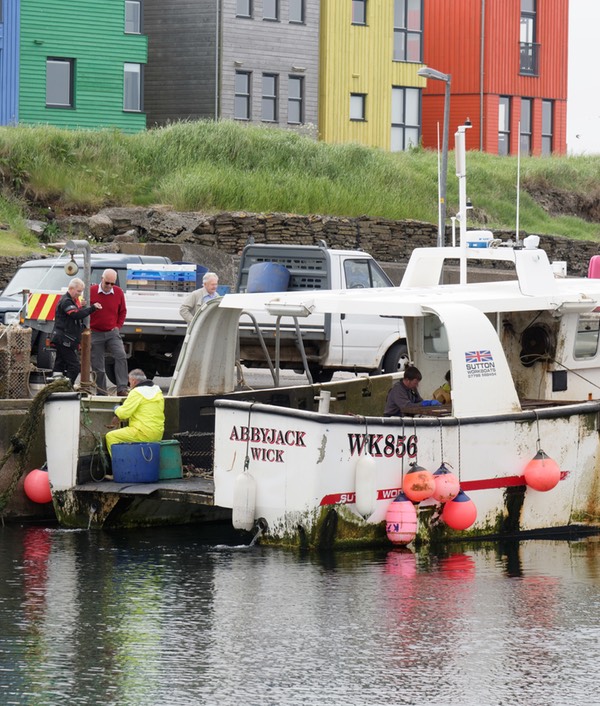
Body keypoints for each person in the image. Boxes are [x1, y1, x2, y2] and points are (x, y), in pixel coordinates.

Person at [50, 278, 102, 385]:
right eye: (78, 291)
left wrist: (81, 307)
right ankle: (66, 388)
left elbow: (76, 312)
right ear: (71, 289)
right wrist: (92, 308)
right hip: (64, 339)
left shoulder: (71, 301)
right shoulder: (66, 301)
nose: (80, 294)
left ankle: (56, 386)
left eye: (81, 291)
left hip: (64, 339)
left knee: (59, 364)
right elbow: (75, 315)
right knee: (74, 366)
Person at [105, 368, 165, 456]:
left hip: (143, 433)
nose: (130, 385)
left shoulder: (137, 392)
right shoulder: (157, 391)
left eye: (129, 382)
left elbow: (123, 413)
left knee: (111, 436)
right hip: (158, 433)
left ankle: (121, 465)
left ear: (133, 381)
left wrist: (116, 408)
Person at [90, 268, 129, 396]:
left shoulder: (118, 292)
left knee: (121, 355)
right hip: (95, 332)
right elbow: (83, 308)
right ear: (102, 279)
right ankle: (101, 392)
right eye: (107, 283)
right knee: (98, 365)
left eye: (112, 283)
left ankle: (122, 388)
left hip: (112, 332)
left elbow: (122, 311)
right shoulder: (91, 291)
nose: (109, 286)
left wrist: (118, 326)